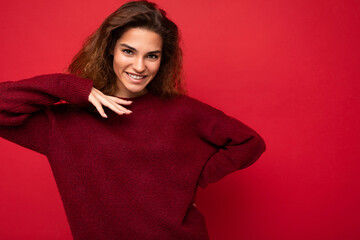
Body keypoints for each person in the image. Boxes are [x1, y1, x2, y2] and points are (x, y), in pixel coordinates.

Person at [0, 1, 266, 239]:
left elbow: (249, 142)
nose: (140, 66)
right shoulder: (63, 125)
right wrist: (68, 87)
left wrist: (195, 179)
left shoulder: (183, 113)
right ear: (110, 50)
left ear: (163, 60)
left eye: (152, 56)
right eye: (128, 51)